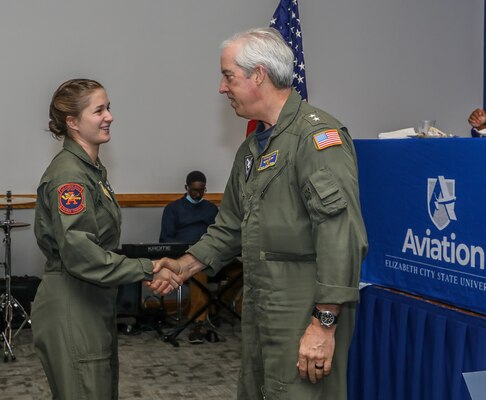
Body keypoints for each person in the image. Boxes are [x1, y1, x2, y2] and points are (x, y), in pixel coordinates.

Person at [150, 27, 368, 399]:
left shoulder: (316, 139)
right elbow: (230, 226)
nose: (222, 88)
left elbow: (340, 233)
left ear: (258, 75)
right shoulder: (252, 149)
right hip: (260, 306)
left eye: (228, 76)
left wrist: (324, 322)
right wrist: (183, 267)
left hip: (305, 307)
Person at [31, 78, 181, 400]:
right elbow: (80, 253)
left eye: (108, 107)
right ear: (72, 122)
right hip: (73, 301)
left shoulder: (92, 171)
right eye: (98, 110)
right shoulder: (70, 175)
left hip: (92, 300)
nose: (109, 116)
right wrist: (148, 267)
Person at [159, 170, 219, 344]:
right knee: (199, 272)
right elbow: (165, 239)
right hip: (186, 259)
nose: (198, 194)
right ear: (186, 188)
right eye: (194, 190)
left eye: (202, 190)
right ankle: (198, 324)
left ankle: (220, 308)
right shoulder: (173, 209)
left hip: (211, 256)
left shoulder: (211, 209)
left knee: (242, 269)